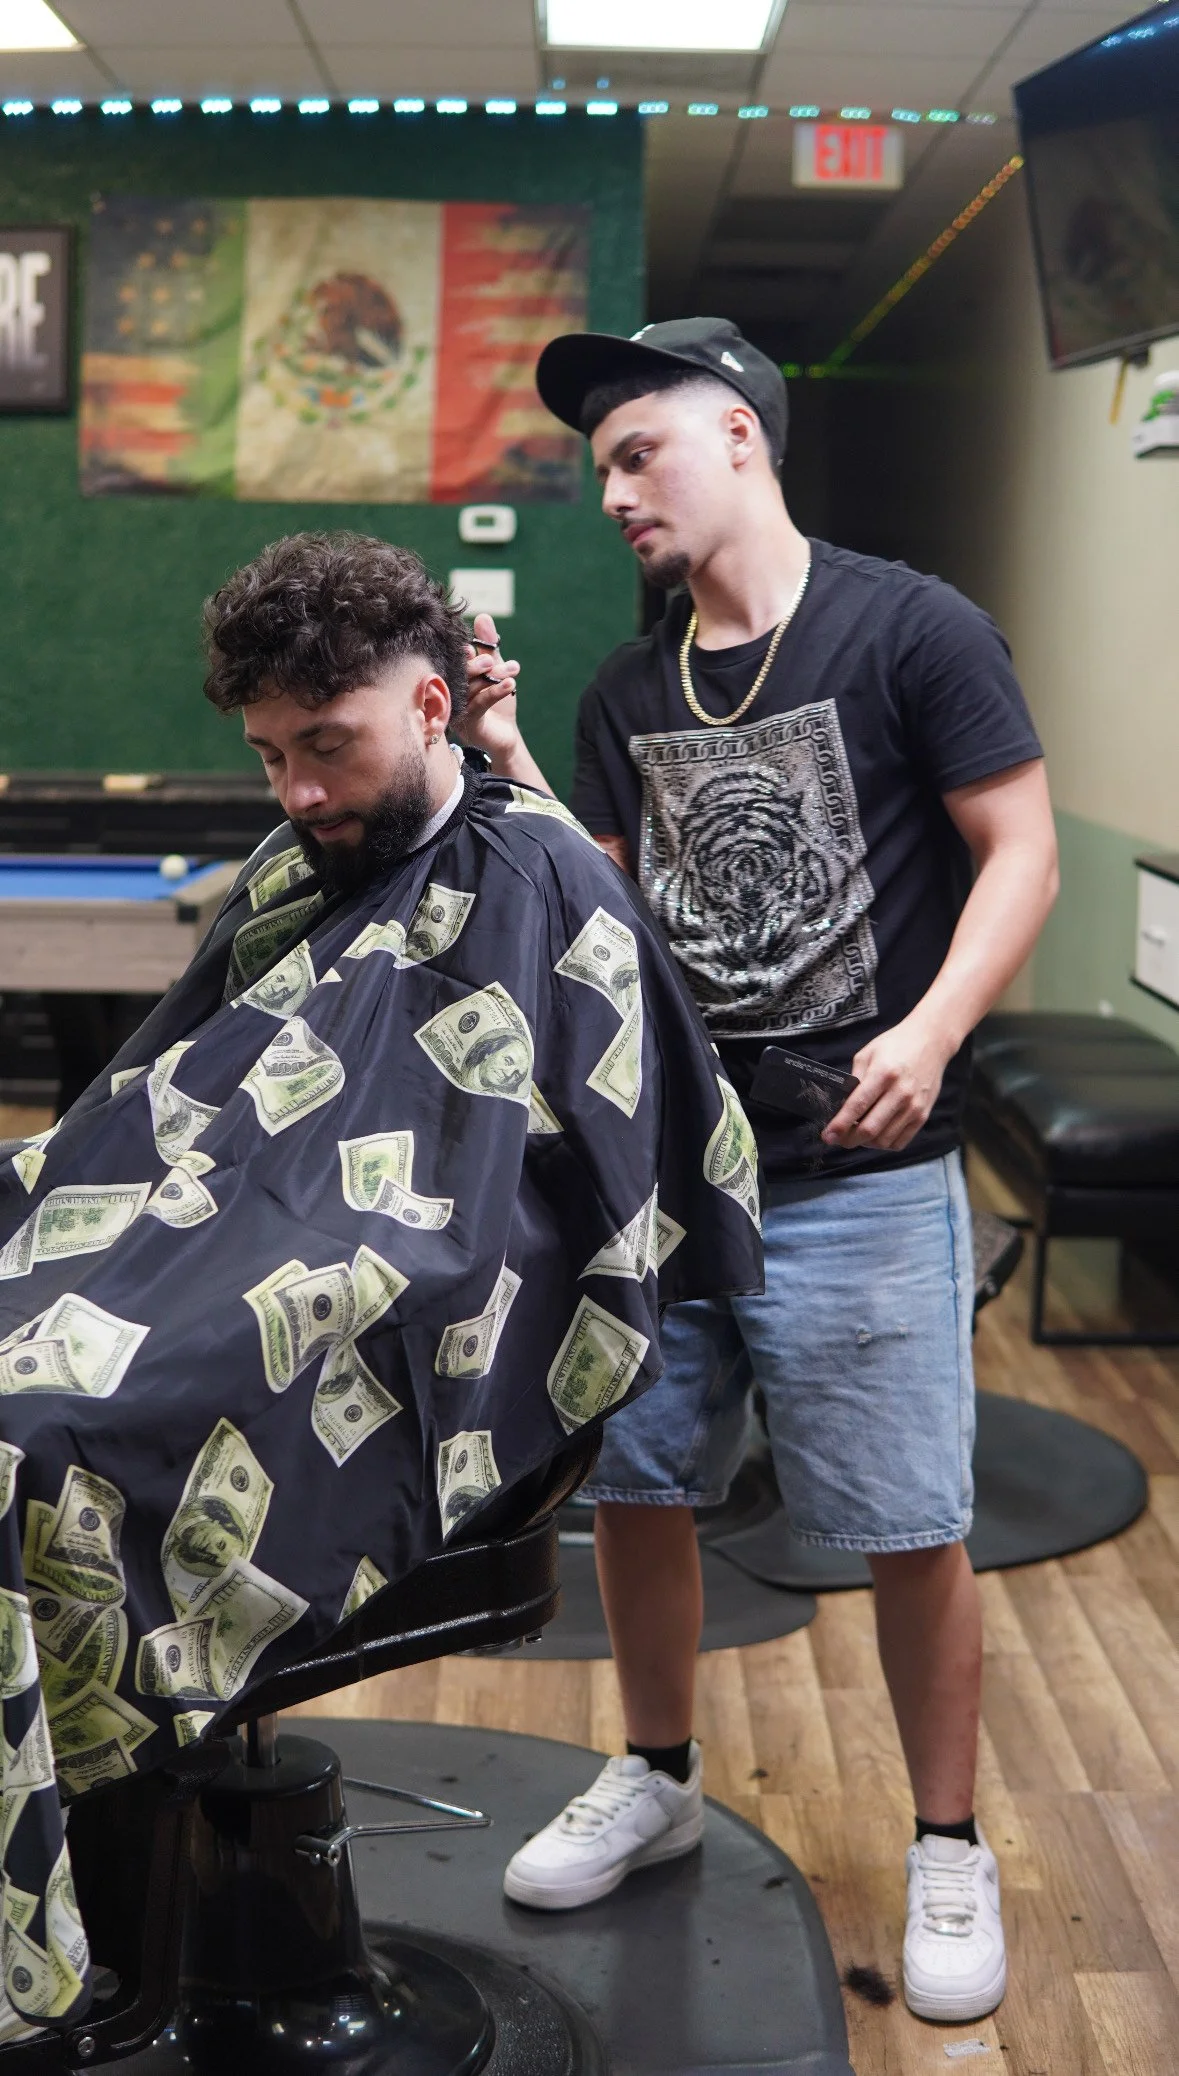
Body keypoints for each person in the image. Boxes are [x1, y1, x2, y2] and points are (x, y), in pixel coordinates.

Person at [0, 531, 763, 2040]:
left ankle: (80, 1915)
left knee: (33, 1432)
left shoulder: (537, 874)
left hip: (403, 1316)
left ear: (431, 708)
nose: (294, 791)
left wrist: (237, 1279)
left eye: (326, 746)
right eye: (272, 753)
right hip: (220, 1251)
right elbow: (169, 1100)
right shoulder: (309, 868)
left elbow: (533, 1209)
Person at [459, 320, 1060, 2024]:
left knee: (902, 1520)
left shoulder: (907, 626)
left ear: (738, 435)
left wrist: (933, 1033)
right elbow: (618, 915)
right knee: (641, 1492)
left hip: (865, 1171)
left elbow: (1018, 847)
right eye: (596, 470)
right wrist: (505, 760)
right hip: (672, 1170)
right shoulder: (626, 689)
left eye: (636, 453)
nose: (611, 492)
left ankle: (945, 1840)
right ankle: (654, 1775)